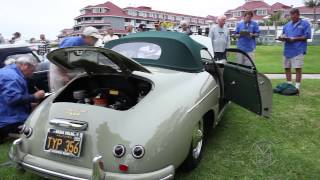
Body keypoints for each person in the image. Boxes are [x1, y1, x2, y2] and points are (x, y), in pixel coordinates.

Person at [0, 56, 45, 141]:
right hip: (7, 120)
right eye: (32, 71)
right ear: (25, 66)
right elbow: (12, 99)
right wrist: (34, 96)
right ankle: (9, 133)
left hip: (5, 113)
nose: (32, 74)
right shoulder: (13, 77)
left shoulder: (9, 70)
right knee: (38, 130)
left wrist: (28, 103)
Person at [49, 26, 103, 92]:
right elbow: (58, 57)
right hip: (58, 67)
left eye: (96, 38)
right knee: (59, 93)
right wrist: (63, 75)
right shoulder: (74, 42)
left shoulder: (88, 45)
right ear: (86, 36)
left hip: (69, 67)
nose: (96, 40)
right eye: (94, 38)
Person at [278, 8, 311, 90]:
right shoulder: (287, 25)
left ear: (298, 15)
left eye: (294, 16)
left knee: (297, 68)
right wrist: (282, 37)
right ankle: (289, 84)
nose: (293, 18)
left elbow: (307, 36)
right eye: (291, 16)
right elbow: (284, 34)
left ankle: (297, 87)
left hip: (298, 50)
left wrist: (294, 39)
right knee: (287, 67)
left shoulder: (305, 24)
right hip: (287, 50)